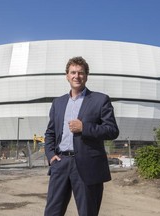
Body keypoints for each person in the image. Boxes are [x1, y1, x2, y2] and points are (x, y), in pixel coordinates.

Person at [44, 56, 119, 216]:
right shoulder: (58, 103)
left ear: (86, 76)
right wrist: (51, 155)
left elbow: (112, 130)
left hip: (87, 165)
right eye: (73, 72)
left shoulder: (100, 100)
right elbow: (50, 133)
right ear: (67, 76)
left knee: (87, 212)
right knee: (52, 212)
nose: (76, 76)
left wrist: (84, 127)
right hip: (61, 163)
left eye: (80, 73)